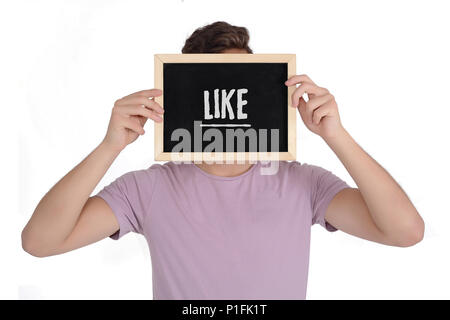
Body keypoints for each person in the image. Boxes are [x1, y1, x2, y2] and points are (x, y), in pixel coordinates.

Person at [21, 21, 424, 299]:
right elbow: (40, 242)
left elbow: (406, 231)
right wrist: (110, 144)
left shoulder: (302, 183)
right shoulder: (149, 188)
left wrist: (335, 135)